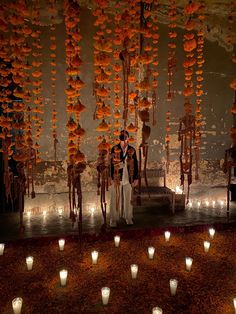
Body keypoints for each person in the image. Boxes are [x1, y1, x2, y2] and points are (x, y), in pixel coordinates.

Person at [109, 130, 139, 227]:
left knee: (128, 198)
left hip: (128, 177)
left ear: (128, 137)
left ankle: (128, 217)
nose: (124, 138)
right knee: (115, 198)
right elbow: (110, 164)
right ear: (120, 137)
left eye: (125, 136)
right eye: (122, 136)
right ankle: (114, 218)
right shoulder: (114, 148)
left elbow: (136, 164)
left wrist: (136, 178)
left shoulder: (132, 150)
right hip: (116, 177)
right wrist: (110, 177)